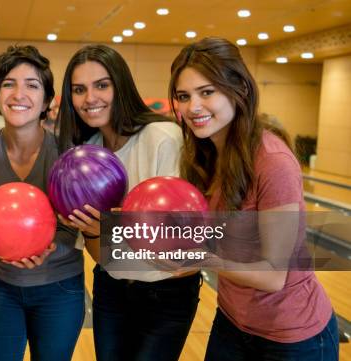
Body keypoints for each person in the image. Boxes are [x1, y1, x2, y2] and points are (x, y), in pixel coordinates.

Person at [169, 37, 338, 360]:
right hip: (233, 322)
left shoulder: (273, 162)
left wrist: (202, 258)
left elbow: (274, 276)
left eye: (207, 92)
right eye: (183, 96)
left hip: (291, 338)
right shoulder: (202, 156)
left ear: (240, 90)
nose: (193, 107)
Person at [56, 44, 201, 361]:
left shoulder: (162, 137)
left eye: (102, 85)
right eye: (79, 90)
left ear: (121, 85)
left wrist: (119, 230)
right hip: (112, 289)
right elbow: (104, 258)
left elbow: (185, 245)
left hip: (166, 294)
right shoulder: (88, 154)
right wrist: (96, 232)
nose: (90, 98)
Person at [0, 45, 85, 361]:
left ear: (47, 101)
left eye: (32, 85)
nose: (19, 93)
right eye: (9, 83)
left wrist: (48, 248)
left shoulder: (68, 154)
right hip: (1, 286)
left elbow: (80, 224)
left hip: (60, 288)